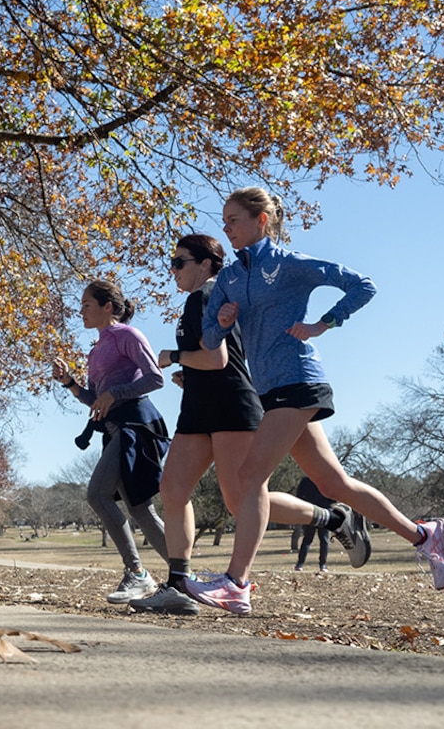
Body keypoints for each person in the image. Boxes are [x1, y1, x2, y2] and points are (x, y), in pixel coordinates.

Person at [183, 187, 444, 615]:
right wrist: (221, 322)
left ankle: (236, 583)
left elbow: (362, 285)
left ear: (261, 220)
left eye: (233, 219)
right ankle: (426, 536)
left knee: (250, 477)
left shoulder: (291, 264)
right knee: (334, 485)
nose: (226, 228)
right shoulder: (232, 278)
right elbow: (210, 340)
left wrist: (324, 323)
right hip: (269, 390)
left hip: (301, 380)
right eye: (224, 221)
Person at [127, 235, 363, 617]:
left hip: (233, 406)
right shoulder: (210, 298)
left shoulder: (207, 296)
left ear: (205, 264)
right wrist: (191, 371)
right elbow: (220, 356)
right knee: (172, 490)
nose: (173, 270)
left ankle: (332, 516)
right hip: (198, 406)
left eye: (179, 262)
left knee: (241, 500)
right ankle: (178, 584)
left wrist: (172, 357)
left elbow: (216, 360)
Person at [50, 279, 170, 606]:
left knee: (98, 495)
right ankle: (182, 578)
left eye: (87, 304)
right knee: (140, 509)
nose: (81, 311)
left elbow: (155, 378)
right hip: (117, 427)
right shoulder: (97, 348)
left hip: (138, 424)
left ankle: (138, 574)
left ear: (108, 307)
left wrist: (114, 392)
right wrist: (70, 383)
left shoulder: (127, 336)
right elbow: (96, 401)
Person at [293, 476, 336, 572]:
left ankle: (300, 564)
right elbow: (334, 497)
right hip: (324, 510)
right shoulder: (327, 480)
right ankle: (322, 565)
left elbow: (299, 496)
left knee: (307, 538)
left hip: (310, 510)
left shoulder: (305, 480)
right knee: (323, 540)